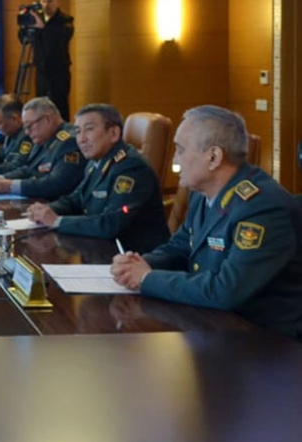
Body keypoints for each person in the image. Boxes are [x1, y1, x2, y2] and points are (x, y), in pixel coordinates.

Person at [111, 105, 302, 339]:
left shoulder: (263, 208)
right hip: (215, 326)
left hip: (266, 342)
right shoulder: (203, 193)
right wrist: (139, 264)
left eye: (180, 150)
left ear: (213, 157)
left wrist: (146, 278)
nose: (175, 160)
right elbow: (180, 248)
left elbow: (226, 290)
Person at [27, 103, 169, 253]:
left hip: (134, 257)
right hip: (101, 249)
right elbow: (77, 198)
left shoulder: (131, 168)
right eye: (78, 131)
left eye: (89, 129)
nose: (81, 139)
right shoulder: (96, 161)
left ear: (113, 133)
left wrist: (57, 221)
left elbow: (111, 223)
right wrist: (47, 209)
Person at [0, 97, 84, 200]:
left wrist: (11, 186)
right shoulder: (43, 138)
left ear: (46, 120)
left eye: (29, 126)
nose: (27, 132)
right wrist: (1, 178)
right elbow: (29, 169)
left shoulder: (69, 141)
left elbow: (57, 184)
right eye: (25, 128)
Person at [30, 0, 74, 121]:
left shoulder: (65, 20)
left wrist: (43, 28)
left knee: (59, 107)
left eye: (49, 1)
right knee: (40, 108)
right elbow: (25, 39)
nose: (46, 5)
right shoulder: (37, 20)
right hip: (41, 72)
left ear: (57, 1)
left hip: (58, 72)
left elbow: (59, 38)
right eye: (43, 2)